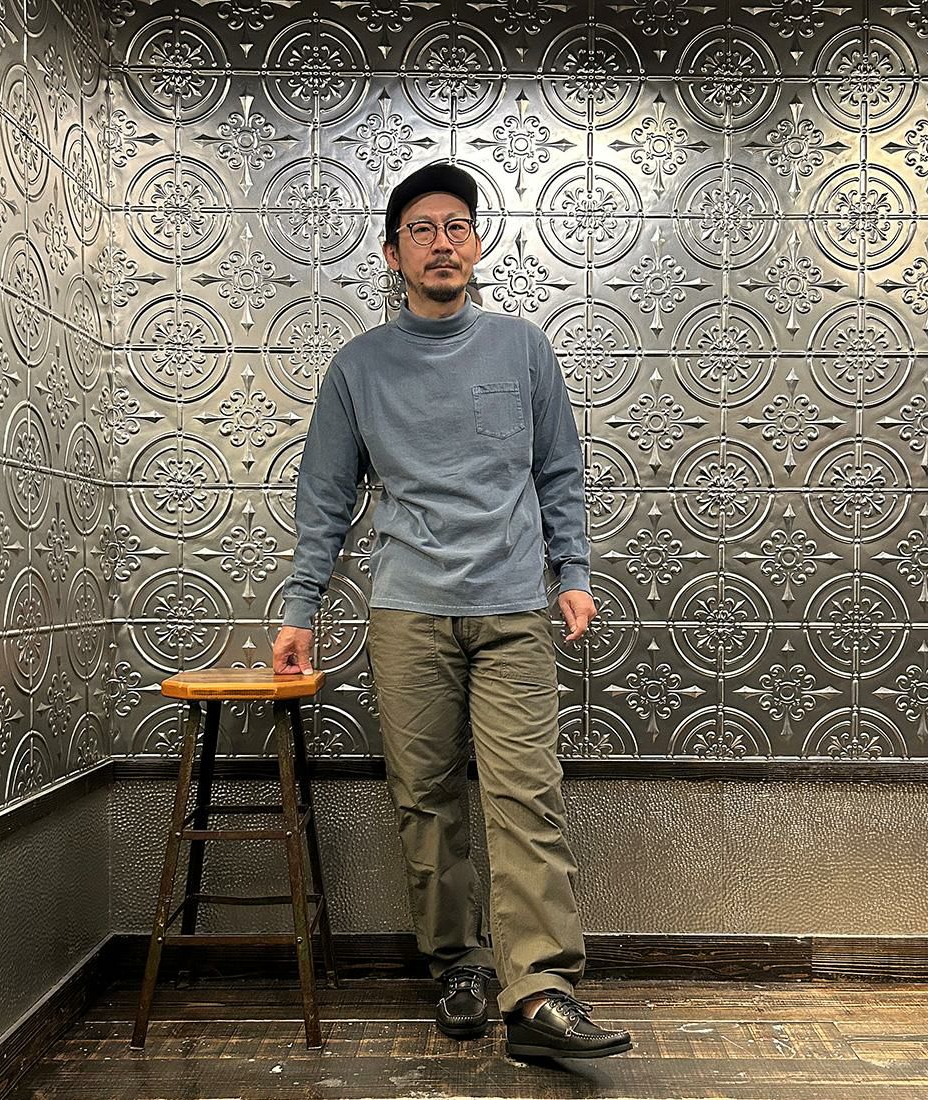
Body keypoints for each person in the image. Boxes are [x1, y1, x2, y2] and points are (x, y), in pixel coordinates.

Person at [272, 162, 631, 1060]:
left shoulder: (524, 349)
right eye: (423, 229)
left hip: (514, 609)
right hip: (408, 613)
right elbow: (324, 497)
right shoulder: (358, 367)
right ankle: (458, 965)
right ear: (392, 252)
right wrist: (300, 607)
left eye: (457, 226)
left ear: (477, 244)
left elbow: (559, 471)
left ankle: (540, 992)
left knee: (526, 797)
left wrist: (573, 572)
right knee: (427, 801)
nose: (443, 242)